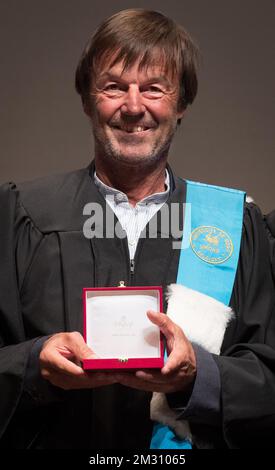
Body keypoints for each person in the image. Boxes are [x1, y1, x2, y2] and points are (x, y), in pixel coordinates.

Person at [0, 8, 275, 449]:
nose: (133, 106)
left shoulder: (230, 225)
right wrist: (33, 365)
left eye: (153, 89)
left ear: (181, 103)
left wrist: (199, 377)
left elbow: (269, 379)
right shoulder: (22, 216)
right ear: (88, 100)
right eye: (113, 87)